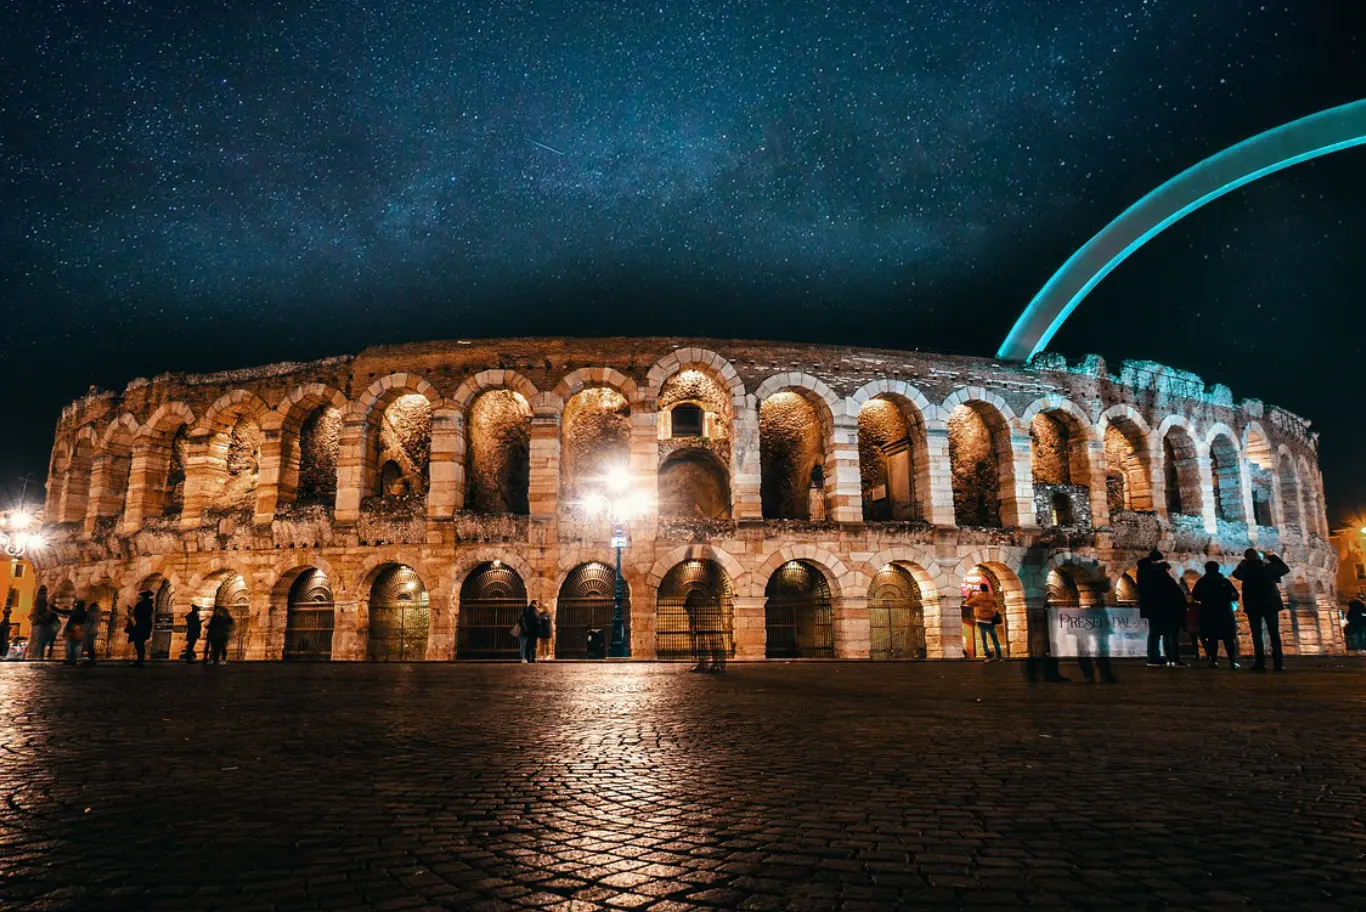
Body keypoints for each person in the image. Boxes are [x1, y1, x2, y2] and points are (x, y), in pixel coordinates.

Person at [1232, 549, 1290, 672]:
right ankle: (1278, 663)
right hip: (1270, 604)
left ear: (1246, 558)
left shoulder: (1246, 570)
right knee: (1274, 634)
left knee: (1257, 635)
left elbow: (1236, 574)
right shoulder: (1268, 568)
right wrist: (1272, 556)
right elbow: (1285, 568)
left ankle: (1260, 663)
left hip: (1254, 605)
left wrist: (1242, 563)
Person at [1137, 550, 1186, 667]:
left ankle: (1154, 658)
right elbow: (1174, 593)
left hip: (1152, 608)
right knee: (1170, 634)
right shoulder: (1161, 577)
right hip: (1166, 608)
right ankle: (1173, 658)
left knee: (1154, 634)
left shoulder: (1143, 572)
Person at [1192, 562, 1240, 668]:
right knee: (1228, 638)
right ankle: (1232, 661)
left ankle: (1213, 660)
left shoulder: (1202, 582)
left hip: (1208, 612)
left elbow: (1195, 595)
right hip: (1225, 612)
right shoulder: (1224, 581)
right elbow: (1235, 595)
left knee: (1212, 638)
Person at [966, 583, 1002, 661]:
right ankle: (998, 654)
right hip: (990, 619)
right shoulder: (991, 597)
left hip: (981, 620)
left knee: (984, 639)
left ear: (981, 589)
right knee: (994, 638)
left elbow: (967, 602)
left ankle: (988, 654)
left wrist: (971, 592)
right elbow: (995, 606)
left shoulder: (978, 597)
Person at [129, 591, 154, 667]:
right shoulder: (150, 605)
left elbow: (137, 616)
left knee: (138, 643)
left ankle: (140, 659)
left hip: (141, 625)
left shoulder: (140, 605)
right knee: (141, 642)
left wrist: (131, 611)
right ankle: (140, 659)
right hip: (146, 625)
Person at [61, 600, 87, 666]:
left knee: (71, 646)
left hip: (72, 630)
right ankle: (75, 660)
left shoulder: (74, 612)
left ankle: (72, 660)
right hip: (80, 631)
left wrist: (66, 630)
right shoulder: (85, 613)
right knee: (76, 645)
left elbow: (68, 618)